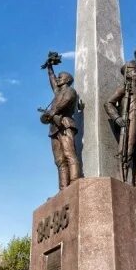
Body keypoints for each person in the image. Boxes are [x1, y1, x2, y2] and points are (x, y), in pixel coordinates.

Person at [104, 49, 136, 189]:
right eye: (135, 71)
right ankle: (125, 180)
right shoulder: (123, 89)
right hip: (130, 120)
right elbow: (108, 103)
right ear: (127, 73)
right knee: (129, 151)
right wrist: (117, 118)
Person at [40, 60, 81, 190]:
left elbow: (66, 100)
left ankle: (75, 182)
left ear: (67, 80)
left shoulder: (70, 91)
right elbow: (52, 80)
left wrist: (53, 112)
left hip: (65, 124)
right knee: (59, 160)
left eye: (60, 77)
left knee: (69, 154)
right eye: (58, 77)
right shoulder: (57, 92)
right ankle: (63, 188)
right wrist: (49, 68)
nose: (58, 79)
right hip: (54, 128)